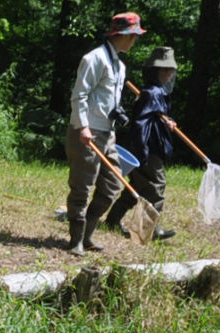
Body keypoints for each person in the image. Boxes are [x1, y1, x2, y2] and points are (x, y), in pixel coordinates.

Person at [64, 12, 143, 258]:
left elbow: (108, 101)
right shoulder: (94, 59)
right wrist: (82, 126)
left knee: (113, 184)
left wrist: (113, 129)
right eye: (133, 36)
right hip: (86, 132)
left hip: (107, 134)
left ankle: (88, 234)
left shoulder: (119, 64)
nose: (135, 41)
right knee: (82, 187)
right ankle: (76, 239)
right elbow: (80, 95)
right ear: (122, 35)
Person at [106, 46, 179, 241]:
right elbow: (141, 123)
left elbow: (152, 117)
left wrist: (166, 121)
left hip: (143, 148)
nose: (171, 74)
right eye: (168, 70)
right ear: (160, 71)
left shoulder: (153, 93)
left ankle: (112, 220)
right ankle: (149, 229)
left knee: (138, 187)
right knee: (156, 185)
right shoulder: (153, 93)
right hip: (148, 149)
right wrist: (143, 152)